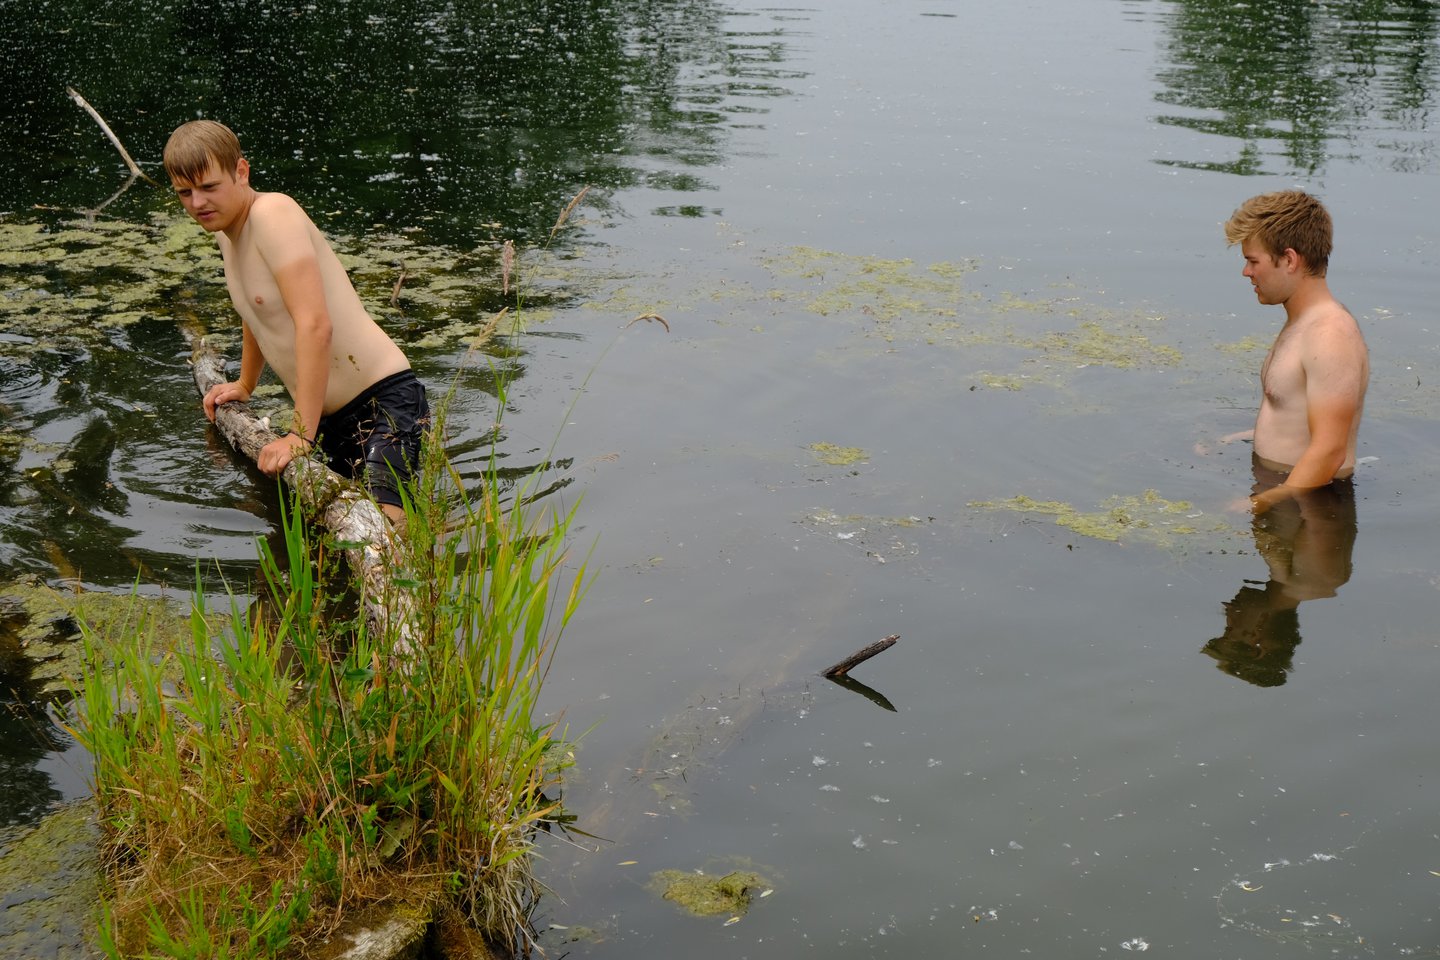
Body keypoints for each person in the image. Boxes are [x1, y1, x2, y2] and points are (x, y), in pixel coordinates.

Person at [163, 120, 428, 526]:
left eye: (209, 187)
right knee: (334, 532)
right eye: (185, 192)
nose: (197, 203)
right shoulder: (227, 234)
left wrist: (299, 435)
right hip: (328, 419)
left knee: (385, 530)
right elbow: (257, 313)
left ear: (241, 172)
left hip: (383, 403)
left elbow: (315, 325)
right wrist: (245, 384)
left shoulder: (273, 213)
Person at [1221, 190, 1369, 516]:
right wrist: (1236, 439)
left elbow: (1330, 451)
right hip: (1284, 493)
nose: (1246, 272)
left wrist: (1259, 503)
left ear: (1289, 260)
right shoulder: (1302, 324)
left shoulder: (1330, 335)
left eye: (1252, 260)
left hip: (1313, 510)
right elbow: (1298, 415)